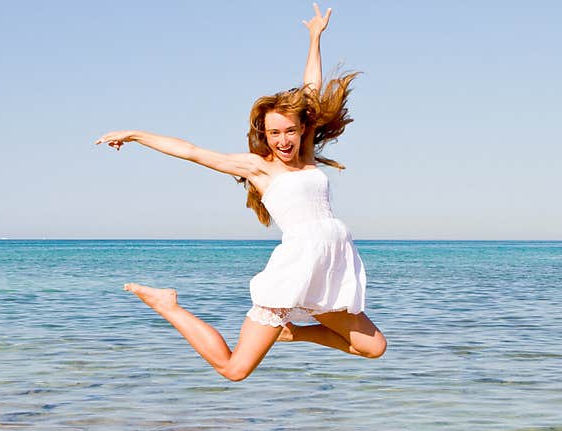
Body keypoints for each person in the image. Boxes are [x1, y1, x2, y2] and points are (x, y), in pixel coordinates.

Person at [95, 3, 386, 381]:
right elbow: (193, 152)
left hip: (329, 266)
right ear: (264, 135)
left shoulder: (308, 152)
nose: (283, 140)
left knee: (374, 347)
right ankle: (168, 305)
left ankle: (294, 332)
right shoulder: (257, 167)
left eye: (290, 131)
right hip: (296, 268)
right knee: (234, 369)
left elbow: (310, 93)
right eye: (274, 133)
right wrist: (135, 135)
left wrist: (315, 38)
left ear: (301, 130)